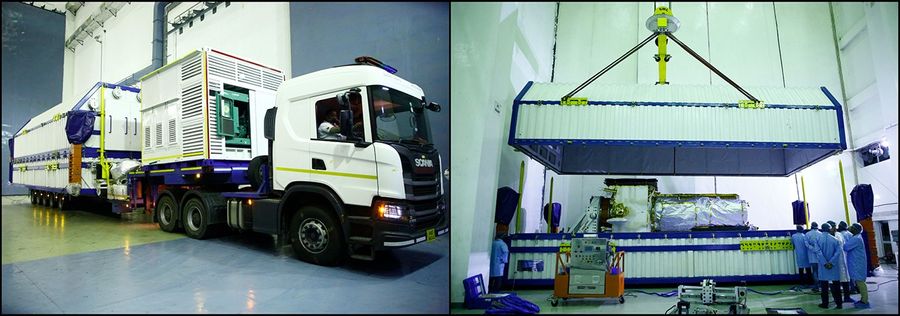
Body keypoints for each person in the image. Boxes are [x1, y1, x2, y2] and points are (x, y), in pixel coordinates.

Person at [817, 223, 844, 309]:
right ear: (829, 229)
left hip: (823, 266)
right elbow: (838, 252)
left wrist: (825, 263)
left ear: (821, 229)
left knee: (824, 286)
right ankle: (839, 304)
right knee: (836, 285)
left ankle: (825, 304)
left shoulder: (818, 239)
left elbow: (818, 252)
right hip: (833, 266)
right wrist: (831, 263)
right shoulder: (835, 240)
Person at [844, 223, 870, 308]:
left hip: (857, 264)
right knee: (859, 282)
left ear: (855, 229)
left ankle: (864, 301)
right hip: (857, 263)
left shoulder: (856, 239)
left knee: (860, 282)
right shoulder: (856, 237)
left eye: (852, 227)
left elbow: (846, 247)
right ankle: (863, 299)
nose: (850, 228)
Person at [831, 221, 854, 303]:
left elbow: (841, 247)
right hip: (838, 260)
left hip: (840, 259)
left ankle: (845, 297)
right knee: (836, 281)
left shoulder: (839, 235)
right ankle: (838, 299)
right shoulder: (838, 235)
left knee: (843, 279)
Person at [805, 222, 822, 289]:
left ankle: (816, 285)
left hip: (811, 254)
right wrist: (816, 249)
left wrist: (812, 248)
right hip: (819, 255)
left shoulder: (807, 234)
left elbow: (806, 244)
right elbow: (822, 245)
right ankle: (821, 284)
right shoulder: (820, 234)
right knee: (820, 270)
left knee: (814, 270)